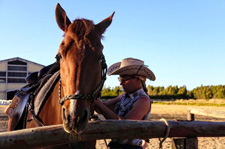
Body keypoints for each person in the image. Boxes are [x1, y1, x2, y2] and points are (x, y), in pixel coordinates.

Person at [93, 57, 156, 149]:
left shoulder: (143, 101)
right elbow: (103, 106)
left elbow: (125, 126)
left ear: (138, 79)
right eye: (120, 79)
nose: (121, 83)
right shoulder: (124, 96)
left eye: (125, 79)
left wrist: (98, 104)